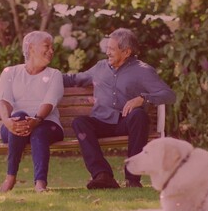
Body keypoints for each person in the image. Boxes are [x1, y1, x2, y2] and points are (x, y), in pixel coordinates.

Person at [63, 28, 176, 189]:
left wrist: (143, 98)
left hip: (126, 122)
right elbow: (74, 79)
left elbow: (169, 95)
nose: (107, 52)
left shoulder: (142, 70)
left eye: (112, 49)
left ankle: (132, 178)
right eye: (107, 48)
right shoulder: (100, 67)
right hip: (101, 122)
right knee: (80, 122)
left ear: (126, 51)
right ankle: (102, 175)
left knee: (139, 115)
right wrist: (44, 76)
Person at [0, 31, 64, 193]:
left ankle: (40, 183)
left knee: (39, 132)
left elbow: (50, 101)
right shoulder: (10, 73)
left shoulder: (54, 75)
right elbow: (4, 100)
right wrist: (7, 121)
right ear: (31, 48)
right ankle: (10, 178)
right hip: (13, 126)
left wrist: (37, 119)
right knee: (18, 117)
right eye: (47, 46)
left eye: (52, 47)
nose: (51, 51)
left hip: (47, 125)